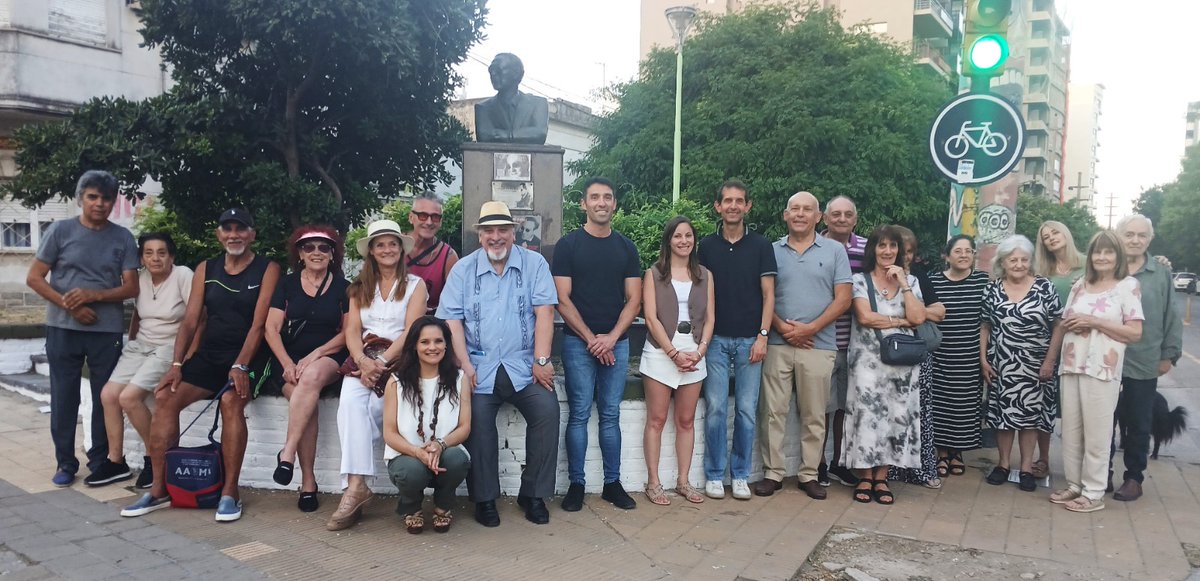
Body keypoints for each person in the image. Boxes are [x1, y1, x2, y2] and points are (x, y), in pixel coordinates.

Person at [122, 208, 280, 522]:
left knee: (230, 400)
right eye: (227, 229)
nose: (233, 234)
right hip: (210, 354)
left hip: (251, 355)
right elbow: (191, 320)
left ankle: (229, 493)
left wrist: (241, 365)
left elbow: (259, 325)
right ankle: (158, 489)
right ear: (219, 234)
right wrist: (177, 364)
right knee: (166, 397)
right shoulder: (206, 268)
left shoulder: (268, 268)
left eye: (240, 228)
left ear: (252, 234)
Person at [437, 201, 559, 527]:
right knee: (476, 422)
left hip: (524, 365)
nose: (496, 237)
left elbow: (545, 313)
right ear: (479, 235)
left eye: (502, 229)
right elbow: (452, 321)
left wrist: (542, 360)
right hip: (478, 366)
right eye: (488, 230)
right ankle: (485, 498)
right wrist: (464, 365)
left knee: (547, 411)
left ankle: (532, 494)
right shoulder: (463, 270)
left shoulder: (534, 264)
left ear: (513, 232)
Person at [26, 170, 140, 488]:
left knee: (106, 397)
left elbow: (131, 287)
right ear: (80, 198)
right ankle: (65, 462)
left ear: (113, 201)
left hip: (105, 331)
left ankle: (100, 460)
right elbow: (34, 277)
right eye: (92, 197)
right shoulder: (60, 231)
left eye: (106, 198)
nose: (99, 204)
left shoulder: (122, 238)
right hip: (62, 327)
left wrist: (95, 295)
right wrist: (70, 304)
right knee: (64, 397)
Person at [327, 220, 426, 531]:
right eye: (380, 244)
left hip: (399, 361)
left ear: (401, 248)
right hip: (363, 361)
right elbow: (352, 330)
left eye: (392, 243)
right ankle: (356, 486)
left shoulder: (415, 285)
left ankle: (356, 488)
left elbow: (412, 330)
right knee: (350, 406)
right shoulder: (358, 288)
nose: (387, 249)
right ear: (371, 250)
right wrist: (362, 361)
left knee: (372, 411)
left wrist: (381, 361)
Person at [553, 177, 642, 512]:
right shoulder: (569, 246)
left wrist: (612, 338)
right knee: (577, 414)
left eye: (607, 197)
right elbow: (562, 299)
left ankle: (611, 483)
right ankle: (576, 484)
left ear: (614, 204)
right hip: (579, 344)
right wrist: (593, 340)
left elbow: (633, 301)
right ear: (584, 204)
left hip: (616, 344)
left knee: (610, 414)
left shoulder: (626, 247)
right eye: (595, 197)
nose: (601, 202)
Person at [754, 192, 851, 500]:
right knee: (773, 411)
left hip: (819, 344)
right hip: (778, 344)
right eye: (794, 209)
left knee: (814, 413)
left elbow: (844, 299)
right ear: (785, 215)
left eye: (806, 209)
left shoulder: (835, 251)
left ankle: (810, 474)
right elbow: (763, 295)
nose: (800, 214)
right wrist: (782, 327)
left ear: (817, 216)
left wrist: (810, 328)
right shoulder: (770, 251)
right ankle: (773, 473)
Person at [87, 233, 193, 489]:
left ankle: (155, 458)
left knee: (129, 398)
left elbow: (198, 318)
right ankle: (116, 462)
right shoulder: (140, 279)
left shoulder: (183, 275)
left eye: (161, 252)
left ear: (172, 256)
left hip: (169, 346)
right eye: (148, 253)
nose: (155, 258)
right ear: (142, 258)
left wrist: (185, 357)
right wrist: (132, 341)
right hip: (140, 346)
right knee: (109, 395)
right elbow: (137, 314)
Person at [1050, 230, 1143, 513]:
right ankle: (1075, 484)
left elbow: (1134, 332)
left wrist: (1094, 321)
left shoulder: (1128, 286)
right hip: (1071, 364)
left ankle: (1093, 491)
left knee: (1097, 433)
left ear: (1118, 256)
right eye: (1097, 252)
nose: (1102, 257)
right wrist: (1053, 355)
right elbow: (1064, 323)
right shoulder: (1080, 284)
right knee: (1072, 429)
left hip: (1102, 368)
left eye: (1108, 252)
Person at [698, 180, 777, 500]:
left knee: (746, 409)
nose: (733, 205)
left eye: (739, 201)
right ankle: (715, 474)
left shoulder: (761, 246)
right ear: (718, 206)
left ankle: (741, 474)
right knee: (716, 407)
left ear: (748, 206)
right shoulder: (705, 246)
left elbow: (769, 295)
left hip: (750, 340)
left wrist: (762, 336)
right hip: (714, 340)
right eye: (727, 200)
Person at [264, 226, 350, 513]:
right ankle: (308, 482)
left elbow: (348, 333)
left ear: (332, 254)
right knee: (306, 400)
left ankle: (286, 452)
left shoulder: (343, 287)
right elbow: (271, 329)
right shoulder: (287, 285)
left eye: (323, 248)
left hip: (328, 357)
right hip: (289, 360)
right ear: (300, 253)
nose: (316, 253)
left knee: (310, 379)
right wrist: (287, 362)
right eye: (309, 247)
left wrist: (316, 353)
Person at [843, 226, 926, 505]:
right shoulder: (859, 280)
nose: (887, 251)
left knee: (896, 416)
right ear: (873, 250)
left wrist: (903, 283)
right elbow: (865, 317)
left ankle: (882, 476)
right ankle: (865, 474)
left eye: (893, 246)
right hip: (867, 360)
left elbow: (918, 317)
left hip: (902, 364)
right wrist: (901, 322)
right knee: (867, 415)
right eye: (882, 246)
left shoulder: (911, 283)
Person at [639, 216, 714, 506]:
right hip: (661, 352)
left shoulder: (705, 274)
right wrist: (672, 353)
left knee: (686, 420)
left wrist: (700, 351)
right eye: (678, 236)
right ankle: (654, 483)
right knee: (656, 420)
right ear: (668, 240)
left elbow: (710, 318)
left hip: (694, 353)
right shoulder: (654, 273)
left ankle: (683, 481)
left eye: (689, 235)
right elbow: (650, 317)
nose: (684, 241)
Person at [981, 235, 1062, 493]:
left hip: (1036, 365)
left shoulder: (1045, 287)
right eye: (1012, 259)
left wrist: (1050, 360)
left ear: (1031, 261)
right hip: (1002, 363)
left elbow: (1058, 325)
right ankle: (1003, 464)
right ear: (1003, 262)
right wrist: (983, 359)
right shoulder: (992, 288)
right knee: (1004, 417)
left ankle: (1026, 467)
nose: (1018, 264)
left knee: (1030, 420)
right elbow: (985, 325)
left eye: (1023, 259)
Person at [1110, 214, 1182, 501]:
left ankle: (1133, 478)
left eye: (1141, 235)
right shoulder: (1107, 266)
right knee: (1104, 420)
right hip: (1107, 359)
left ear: (1149, 239)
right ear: (1119, 236)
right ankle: (1100, 474)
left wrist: (1169, 356)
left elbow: (1171, 316)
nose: (1135, 240)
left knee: (1139, 423)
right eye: (1129, 234)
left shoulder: (1160, 272)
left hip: (1144, 359)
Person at [382, 316, 471, 534]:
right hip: (407, 456)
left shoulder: (460, 379)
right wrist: (416, 451)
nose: (432, 347)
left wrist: (440, 445)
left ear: (446, 344)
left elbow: (464, 426)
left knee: (458, 459)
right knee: (411, 472)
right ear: (414, 345)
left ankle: (443, 505)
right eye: (425, 342)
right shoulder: (396, 381)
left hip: (444, 450)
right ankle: (411, 507)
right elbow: (389, 433)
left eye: (438, 341)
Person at [887, 226, 946, 490]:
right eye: (902, 250)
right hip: (886, 353)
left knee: (920, 412)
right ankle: (889, 469)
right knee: (889, 412)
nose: (906, 256)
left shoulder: (919, 276)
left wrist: (914, 314)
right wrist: (913, 316)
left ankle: (922, 470)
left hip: (917, 354)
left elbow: (940, 312)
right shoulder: (876, 277)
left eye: (910, 251)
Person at [927, 235, 990, 477]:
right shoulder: (933, 281)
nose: (964, 255)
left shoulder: (983, 282)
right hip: (940, 354)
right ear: (947, 255)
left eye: (968, 251)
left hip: (970, 356)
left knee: (965, 406)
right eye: (958, 250)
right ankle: (941, 453)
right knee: (940, 405)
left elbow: (988, 321)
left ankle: (957, 452)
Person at [818, 195, 867, 488]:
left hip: (856, 343)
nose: (841, 218)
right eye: (835, 214)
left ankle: (839, 462)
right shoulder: (815, 246)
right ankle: (819, 463)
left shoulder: (867, 249)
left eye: (848, 214)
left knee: (844, 408)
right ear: (825, 218)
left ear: (855, 219)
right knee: (821, 407)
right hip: (823, 340)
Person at [1032, 220, 1086, 479]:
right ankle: (1043, 460)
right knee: (1046, 405)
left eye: (1054, 232)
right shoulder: (1042, 271)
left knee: (1081, 408)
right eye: (1045, 236)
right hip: (1048, 345)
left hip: (1086, 345)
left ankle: (1086, 467)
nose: (1051, 238)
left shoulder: (1089, 263)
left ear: (1066, 232)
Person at [473, 53, 550, 145]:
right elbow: (484, 136)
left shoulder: (538, 104)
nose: (493, 74)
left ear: (517, 74)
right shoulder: (483, 108)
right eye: (491, 70)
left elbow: (539, 134)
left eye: (498, 70)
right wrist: (524, 134)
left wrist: (505, 135)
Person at [406, 192, 459, 314]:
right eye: (423, 216)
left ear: (440, 221)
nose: (429, 222)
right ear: (411, 217)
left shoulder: (448, 257)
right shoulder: (394, 248)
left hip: (430, 323)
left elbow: (455, 300)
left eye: (435, 217)